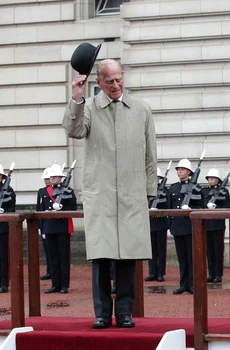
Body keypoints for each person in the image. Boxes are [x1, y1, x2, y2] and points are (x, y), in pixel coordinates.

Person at [62, 58, 157, 328]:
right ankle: (102, 313)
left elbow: (151, 153)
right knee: (101, 257)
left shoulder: (141, 109)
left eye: (119, 79)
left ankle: (125, 312)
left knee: (128, 256)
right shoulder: (89, 107)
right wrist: (77, 99)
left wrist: (150, 190)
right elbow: (73, 130)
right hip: (101, 193)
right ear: (99, 82)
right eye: (109, 81)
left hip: (132, 192)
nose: (115, 85)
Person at [37, 163, 77, 294]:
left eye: (55, 176)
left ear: (60, 177)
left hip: (62, 227)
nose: (52, 178)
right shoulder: (43, 192)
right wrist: (41, 228)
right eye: (51, 177)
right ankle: (55, 284)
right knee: (52, 257)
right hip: (49, 227)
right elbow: (40, 211)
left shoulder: (68, 191)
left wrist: (62, 208)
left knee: (63, 257)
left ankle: (64, 285)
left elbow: (73, 208)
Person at [168, 158, 203, 295]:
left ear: (189, 172)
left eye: (182, 169)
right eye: (178, 169)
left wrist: (190, 207)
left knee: (191, 257)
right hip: (177, 227)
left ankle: (193, 284)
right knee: (182, 258)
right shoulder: (174, 187)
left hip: (190, 227)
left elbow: (201, 206)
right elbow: (170, 208)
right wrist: (171, 225)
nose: (179, 171)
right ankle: (183, 284)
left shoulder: (196, 187)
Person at [202, 168, 230, 283]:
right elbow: (202, 204)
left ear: (218, 180)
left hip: (218, 224)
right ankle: (211, 273)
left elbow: (227, 206)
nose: (211, 180)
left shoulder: (224, 191)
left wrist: (217, 207)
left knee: (218, 250)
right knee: (209, 250)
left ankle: (218, 274)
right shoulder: (204, 191)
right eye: (209, 178)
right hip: (207, 224)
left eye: (213, 178)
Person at [145, 167, 168, 282]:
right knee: (151, 250)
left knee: (160, 249)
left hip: (160, 223)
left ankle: (160, 273)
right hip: (150, 223)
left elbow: (168, 205)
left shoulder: (164, 191)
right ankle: (152, 272)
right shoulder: (146, 191)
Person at [0, 164, 16, 293]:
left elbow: (12, 209)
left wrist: (3, 210)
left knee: (3, 257)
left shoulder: (8, 191)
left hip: (3, 229)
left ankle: (3, 283)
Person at [36, 167, 52, 281]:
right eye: (45, 179)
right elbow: (39, 209)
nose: (46, 181)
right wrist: (39, 226)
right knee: (47, 250)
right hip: (45, 224)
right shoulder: (42, 191)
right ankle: (49, 270)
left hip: (54, 224)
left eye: (48, 178)